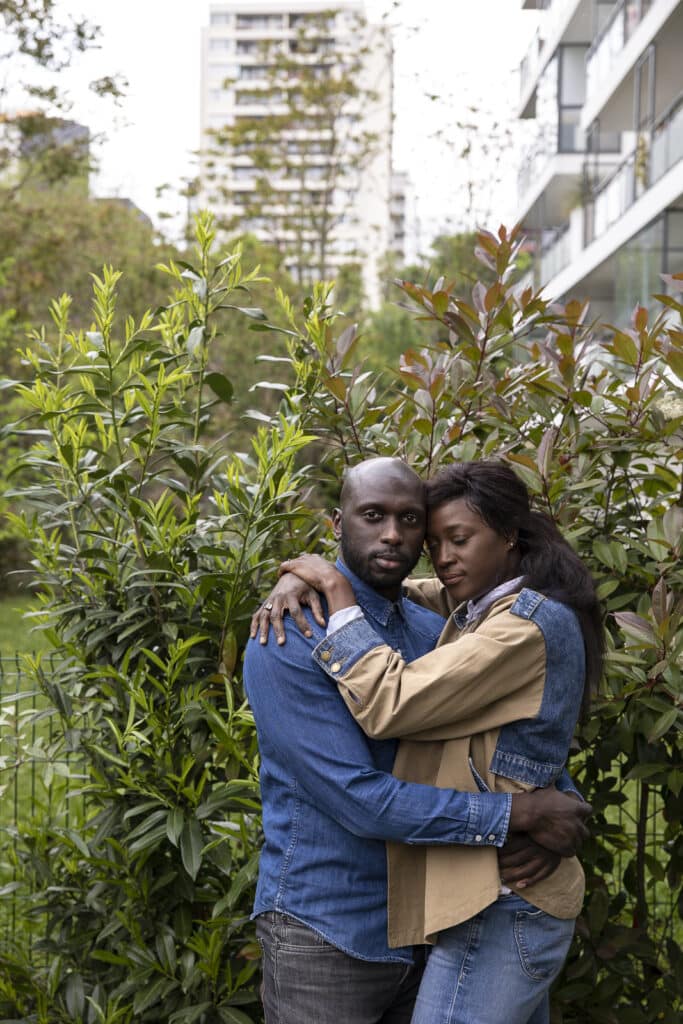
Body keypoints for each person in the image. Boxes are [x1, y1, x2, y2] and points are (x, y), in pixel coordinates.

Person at [244, 457, 592, 1024]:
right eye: (373, 515)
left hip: (436, 919)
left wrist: (558, 811)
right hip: (328, 930)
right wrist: (515, 816)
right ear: (337, 522)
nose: (393, 534)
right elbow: (358, 797)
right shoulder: (289, 635)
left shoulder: (438, 628)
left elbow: (504, 735)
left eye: (411, 520)